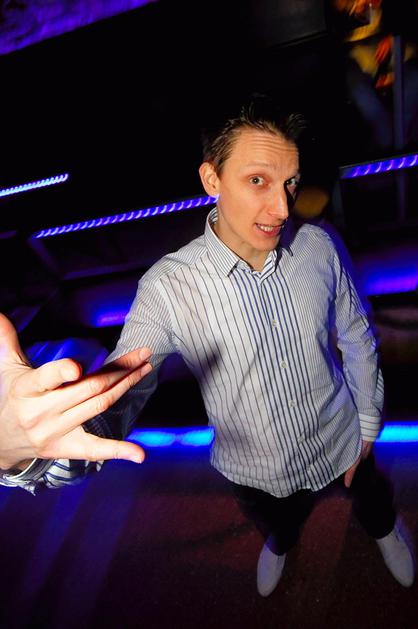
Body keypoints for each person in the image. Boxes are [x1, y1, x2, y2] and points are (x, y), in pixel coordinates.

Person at [0, 95, 414, 594]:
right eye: (258, 181)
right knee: (277, 525)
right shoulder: (167, 289)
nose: (283, 207)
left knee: (374, 502)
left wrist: (368, 422)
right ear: (211, 179)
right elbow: (113, 402)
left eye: (290, 182)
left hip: (342, 436)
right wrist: (19, 455)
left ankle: (385, 530)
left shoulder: (319, 246)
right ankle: (280, 543)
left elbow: (357, 334)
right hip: (254, 470)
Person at [327, 0, 418, 155]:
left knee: (413, 83)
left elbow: (406, 19)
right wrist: (354, 9)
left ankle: (403, 140)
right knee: (360, 92)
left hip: (401, 53)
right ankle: (386, 142)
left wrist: (392, 37)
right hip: (360, 57)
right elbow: (336, 28)